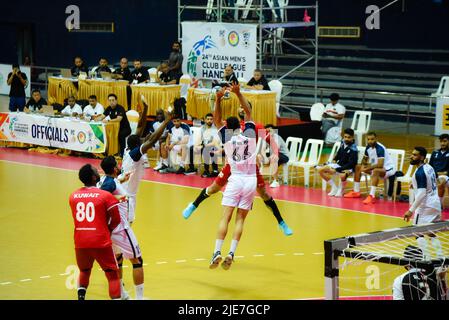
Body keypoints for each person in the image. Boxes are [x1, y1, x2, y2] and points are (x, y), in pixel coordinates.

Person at [182, 85, 293, 237]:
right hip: (232, 166)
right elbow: (217, 121)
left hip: (249, 168)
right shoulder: (231, 125)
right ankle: (193, 205)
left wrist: (275, 152)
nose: (241, 109)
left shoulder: (254, 126)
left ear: (247, 109)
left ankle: (281, 222)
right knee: (213, 189)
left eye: (243, 107)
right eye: (240, 107)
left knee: (264, 194)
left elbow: (271, 140)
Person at [208, 84, 257, 270]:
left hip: (235, 179)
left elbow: (216, 119)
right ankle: (231, 253)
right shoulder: (251, 135)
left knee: (225, 217)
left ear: (228, 127)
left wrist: (219, 99)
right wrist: (238, 93)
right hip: (250, 180)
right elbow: (248, 111)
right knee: (240, 220)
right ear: (242, 125)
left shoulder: (227, 138)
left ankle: (217, 251)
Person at [69, 164, 121, 300]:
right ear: (93, 177)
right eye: (95, 171)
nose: (98, 172)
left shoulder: (73, 196)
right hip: (100, 241)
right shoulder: (105, 196)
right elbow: (116, 219)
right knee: (112, 275)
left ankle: (81, 297)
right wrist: (107, 230)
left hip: (80, 241)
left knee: (84, 271)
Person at [119, 101, 174, 223]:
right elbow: (153, 138)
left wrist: (145, 109)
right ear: (138, 145)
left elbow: (139, 127)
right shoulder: (134, 155)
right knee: (126, 228)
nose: (144, 140)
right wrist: (166, 121)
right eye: (142, 141)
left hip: (123, 192)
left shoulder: (128, 149)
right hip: (127, 197)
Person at [99, 156, 144, 300]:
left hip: (110, 230)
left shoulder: (105, 180)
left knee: (118, 260)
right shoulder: (110, 184)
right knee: (137, 261)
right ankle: (140, 298)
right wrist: (115, 199)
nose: (119, 166)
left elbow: (109, 184)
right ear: (113, 169)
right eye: (117, 166)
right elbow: (103, 197)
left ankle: (122, 294)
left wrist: (121, 179)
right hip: (121, 229)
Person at [403, 147, 444, 261]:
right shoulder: (429, 167)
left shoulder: (419, 172)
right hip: (435, 205)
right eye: (412, 154)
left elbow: (421, 194)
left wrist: (410, 210)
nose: (412, 156)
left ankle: (426, 259)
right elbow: (435, 180)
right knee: (431, 233)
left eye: (415, 155)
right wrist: (415, 185)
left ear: (421, 157)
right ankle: (441, 258)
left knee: (417, 232)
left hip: (425, 206)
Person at [344, 132, 395, 204]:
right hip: (375, 167)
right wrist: (363, 165)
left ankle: (372, 196)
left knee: (376, 170)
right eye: (368, 139)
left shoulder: (380, 148)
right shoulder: (368, 147)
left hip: (388, 169)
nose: (370, 141)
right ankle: (356, 191)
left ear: (376, 139)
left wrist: (367, 168)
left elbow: (380, 164)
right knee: (357, 167)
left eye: (372, 139)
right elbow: (364, 160)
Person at [318, 128, 358, 197]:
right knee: (321, 170)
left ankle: (341, 189)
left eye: (349, 137)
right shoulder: (343, 142)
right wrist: (335, 160)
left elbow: (351, 163)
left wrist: (337, 169)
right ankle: (334, 187)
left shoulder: (354, 148)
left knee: (342, 175)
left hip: (349, 167)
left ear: (352, 137)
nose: (347, 139)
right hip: (339, 165)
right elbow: (339, 152)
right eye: (345, 137)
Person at [264, 124, 291, 188]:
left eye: (270, 130)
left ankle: (275, 181)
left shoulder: (277, 137)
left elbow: (276, 149)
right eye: (267, 131)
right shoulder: (266, 137)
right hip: (275, 154)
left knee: (273, 160)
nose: (269, 132)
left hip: (284, 155)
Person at [428, 134, 449, 208]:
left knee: (441, 181)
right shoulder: (435, 153)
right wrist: (436, 174)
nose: (442, 143)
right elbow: (430, 166)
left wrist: (444, 173)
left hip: (446, 176)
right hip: (435, 175)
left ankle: (439, 204)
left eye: (445, 141)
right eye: (441, 141)